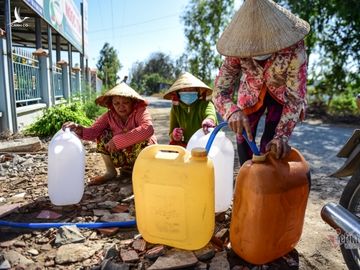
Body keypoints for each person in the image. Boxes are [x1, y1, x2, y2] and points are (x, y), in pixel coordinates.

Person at [213, 0, 310, 165]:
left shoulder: (295, 49)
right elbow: (219, 91)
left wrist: (282, 136)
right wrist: (232, 112)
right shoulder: (236, 49)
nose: (258, 49)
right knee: (243, 135)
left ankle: (269, 178)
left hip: (282, 96)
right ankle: (247, 175)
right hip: (250, 93)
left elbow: (294, 97)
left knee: (272, 144)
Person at [62, 82, 157, 185]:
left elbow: (148, 129)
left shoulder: (140, 111)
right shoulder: (109, 116)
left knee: (144, 139)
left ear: (133, 102)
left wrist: (117, 141)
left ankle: (142, 174)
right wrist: (78, 128)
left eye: (125, 102)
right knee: (104, 134)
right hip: (123, 157)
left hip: (144, 157)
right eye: (116, 103)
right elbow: (93, 131)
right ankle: (111, 172)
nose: (121, 107)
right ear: (111, 104)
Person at [163, 72, 218, 147]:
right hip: (188, 145)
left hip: (207, 144)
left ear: (198, 91)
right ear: (178, 93)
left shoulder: (205, 104)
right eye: (184, 90)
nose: (188, 92)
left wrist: (209, 121)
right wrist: (175, 135)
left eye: (191, 89)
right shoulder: (176, 108)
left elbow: (210, 115)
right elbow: (171, 132)